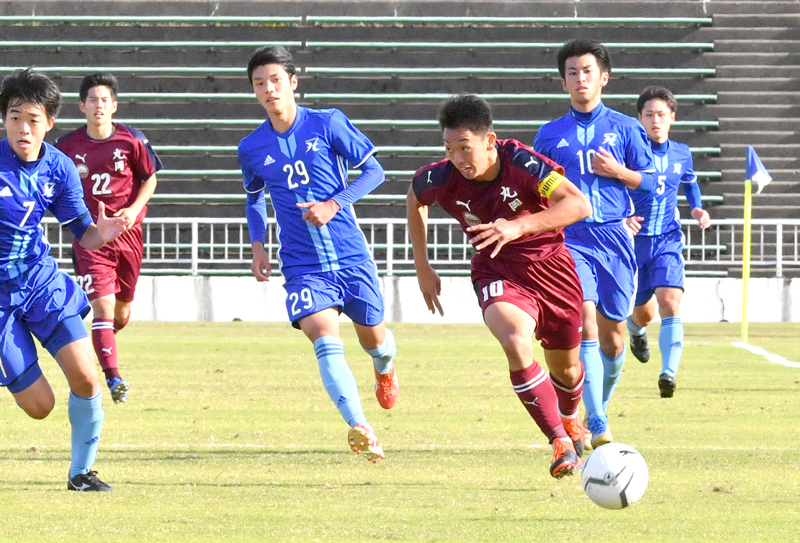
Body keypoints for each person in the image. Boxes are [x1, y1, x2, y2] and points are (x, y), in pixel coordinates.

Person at [407, 94, 592, 478]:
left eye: (465, 148)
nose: (458, 158)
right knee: (514, 341)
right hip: (497, 270)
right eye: (449, 148)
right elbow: (415, 197)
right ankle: (559, 441)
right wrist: (422, 264)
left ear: (489, 141)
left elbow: (578, 205)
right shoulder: (440, 177)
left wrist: (517, 226)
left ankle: (571, 416)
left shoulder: (523, 162)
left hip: (552, 269)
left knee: (569, 372)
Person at [238, 46, 398, 464]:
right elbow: (254, 199)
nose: (268, 89)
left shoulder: (328, 122)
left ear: (292, 82)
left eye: (275, 80)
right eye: (259, 83)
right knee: (325, 340)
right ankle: (360, 426)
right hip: (302, 265)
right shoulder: (252, 147)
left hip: (350, 257)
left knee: (375, 342)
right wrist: (258, 245)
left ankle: (384, 367)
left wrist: (334, 204)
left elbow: (375, 171)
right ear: (254, 91)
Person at [0, 68, 128, 491]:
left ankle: (81, 474)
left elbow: (84, 232)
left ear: (49, 124)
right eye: (15, 117)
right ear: (4, 120)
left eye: (33, 120)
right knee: (40, 407)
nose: (23, 128)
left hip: (40, 285)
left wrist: (101, 233)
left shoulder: (58, 167)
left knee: (88, 378)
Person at [533, 39, 657, 448]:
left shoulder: (626, 128)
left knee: (614, 336)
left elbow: (653, 183)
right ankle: (598, 422)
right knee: (583, 321)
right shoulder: (549, 135)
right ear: (563, 81)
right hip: (570, 239)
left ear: (603, 78)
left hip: (615, 238)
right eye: (572, 72)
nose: (580, 79)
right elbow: (537, 188)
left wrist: (621, 173)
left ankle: (594, 408)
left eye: (587, 71)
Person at [55, 73, 162, 404]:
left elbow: (150, 179)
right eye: (92, 100)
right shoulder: (65, 147)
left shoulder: (132, 140)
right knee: (101, 307)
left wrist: (132, 209)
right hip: (90, 239)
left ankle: (100, 343)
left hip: (128, 237)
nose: (98, 106)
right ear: (81, 106)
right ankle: (113, 377)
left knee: (121, 311)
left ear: (113, 106)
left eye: (104, 100)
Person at [626, 86, 711, 398]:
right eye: (649, 115)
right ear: (640, 118)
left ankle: (668, 374)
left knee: (670, 302)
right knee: (644, 313)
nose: (655, 120)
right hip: (633, 242)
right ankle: (635, 328)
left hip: (668, 239)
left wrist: (698, 207)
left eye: (661, 114)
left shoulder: (681, 153)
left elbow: (690, 183)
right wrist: (623, 217)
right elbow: (614, 187)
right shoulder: (631, 152)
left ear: (672, 118)